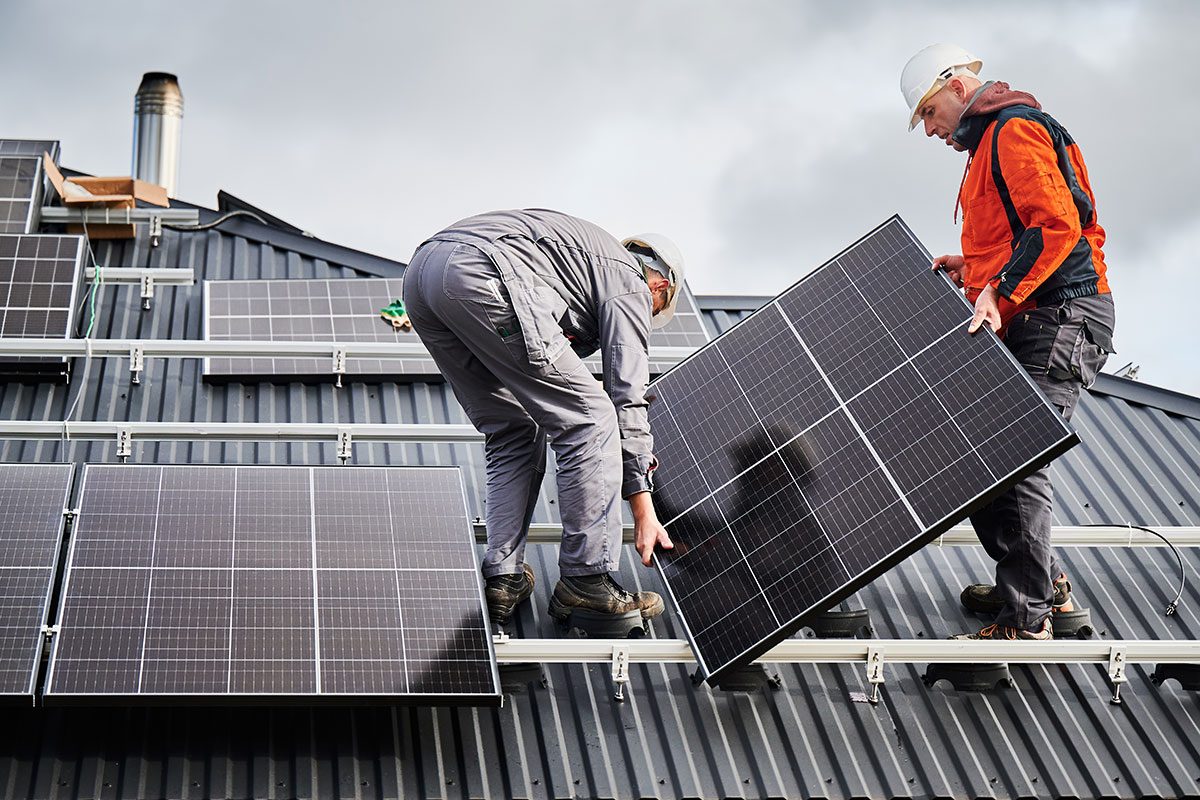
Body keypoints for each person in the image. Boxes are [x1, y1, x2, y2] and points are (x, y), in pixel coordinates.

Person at [900, 45, 1116, 640]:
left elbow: (1055, 226)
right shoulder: (987, 144)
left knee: (1017, 455)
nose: (932, 131)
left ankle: (1027, 617)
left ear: (955, 86)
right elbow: (1014, 236)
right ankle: (1042, 583)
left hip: (1061, 315)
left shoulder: (1014, 128)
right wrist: (972, 268)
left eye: (929, 114)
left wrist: (996, 288)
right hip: (1034, 313)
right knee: (982, 459)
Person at [401, 209, 679, 626]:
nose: (646, 317)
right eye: (654, 310)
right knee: (591, 417)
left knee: (513, 427)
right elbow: (627, 395)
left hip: (423, 276)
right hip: (483, 270)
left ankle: (504, 574)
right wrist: (643, 504)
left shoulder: (580, 261)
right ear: (661, 284)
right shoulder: (631, 281)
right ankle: (587, 579)